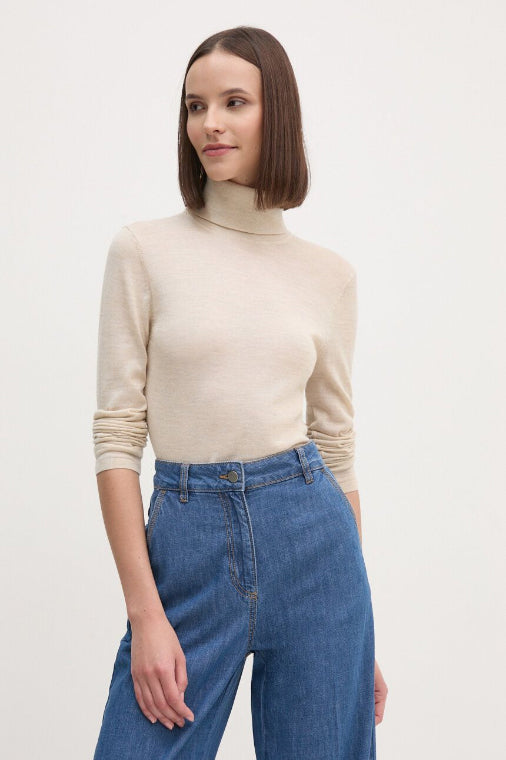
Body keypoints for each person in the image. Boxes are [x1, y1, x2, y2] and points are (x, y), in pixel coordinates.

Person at [91, 25, 387, 760]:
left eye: (233, 102)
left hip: (315, 545)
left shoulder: (328, 276)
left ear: (275, 113)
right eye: (195, 106)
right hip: (187, 542)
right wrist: (146, 615)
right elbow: (117, 437)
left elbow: (337, 448)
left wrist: (361, 630)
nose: (210, 125)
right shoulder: (144, 250)